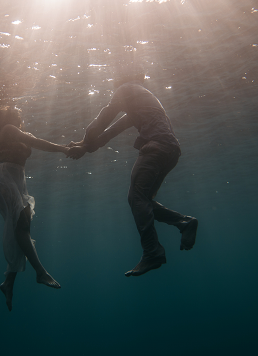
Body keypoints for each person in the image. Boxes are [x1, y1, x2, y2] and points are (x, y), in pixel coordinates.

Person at [68, 65, 198, 277]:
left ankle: (152, 251)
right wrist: (84, 147)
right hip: (171, 151)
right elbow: (107, 134)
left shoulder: (126, 89)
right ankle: (184, 222)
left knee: (136, 198)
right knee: (142, 199)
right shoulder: (141, 101)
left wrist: (84, 141)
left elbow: (101, 121)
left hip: (155, 148)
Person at [0, 106, 75, 311]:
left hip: (16, 180)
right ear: (8, 117)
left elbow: (35, 141)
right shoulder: (8, 129)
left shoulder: (16, 132)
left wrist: (68, 146)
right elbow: (37, 143)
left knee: (21, 229)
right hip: (4, 178)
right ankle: (40, 272)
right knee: (21, 225)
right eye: (16, 113)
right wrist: (63, 149)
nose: (20, 114)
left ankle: (8, 283)